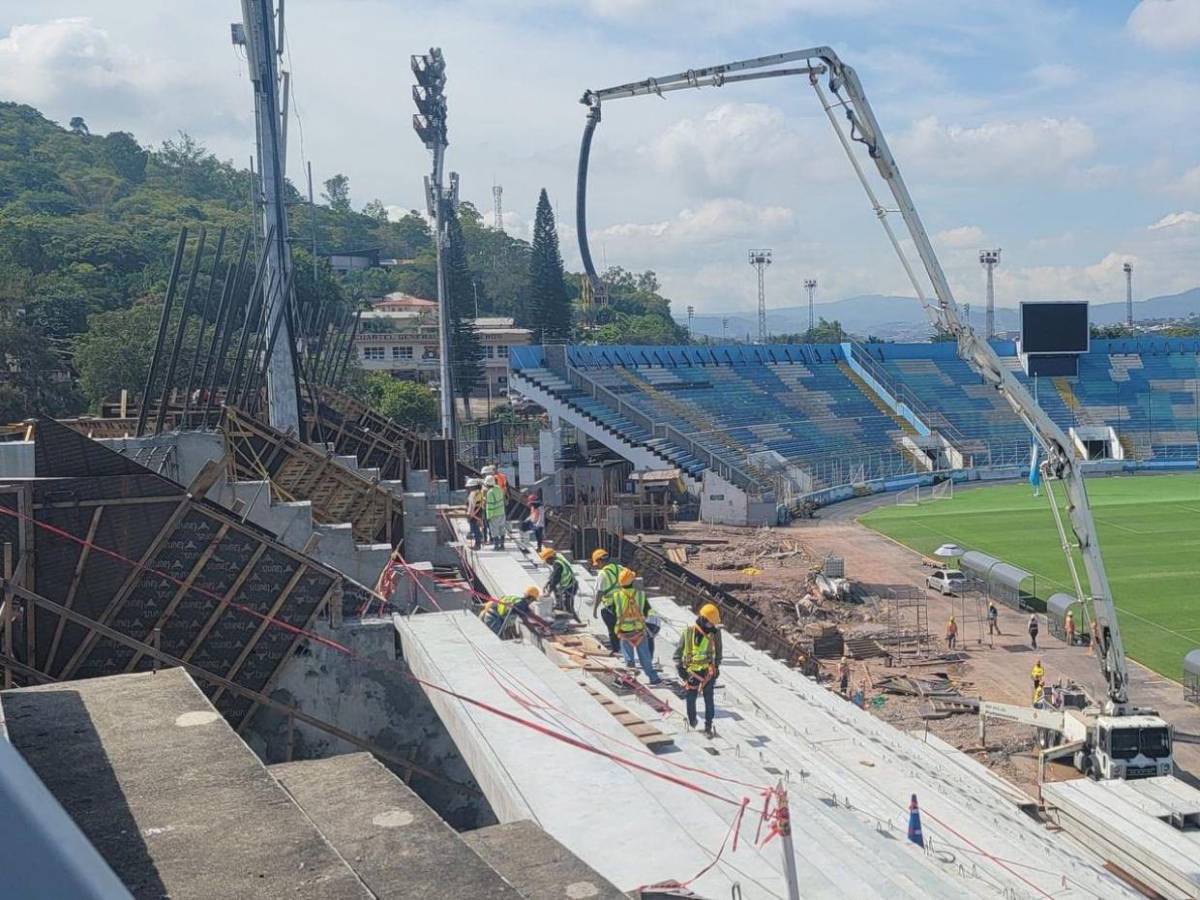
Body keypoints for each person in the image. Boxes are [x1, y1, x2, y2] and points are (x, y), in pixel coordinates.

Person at [674, 603, 722, 737]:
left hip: (708, 672)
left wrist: (716, 667)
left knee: (709, 699)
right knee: (690, 698)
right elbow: (677, 655)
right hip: (692, 672)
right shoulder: (688, 632)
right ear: (703, 620)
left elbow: (718, 653)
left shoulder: (715, 634)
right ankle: (692, 720)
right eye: (710, 624)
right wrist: (681, 670)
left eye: (714, 624)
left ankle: (708, 726)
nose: (712, 626)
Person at [611, 568, 660, 684]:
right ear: (632, 581)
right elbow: (648, 611)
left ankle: (629, 679)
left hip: (624, 632)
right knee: (645, 657)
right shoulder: (641, 595)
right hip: (639, 631)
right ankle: (653, 678)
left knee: (629, 659)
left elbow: (614, 613)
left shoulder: (616, 596)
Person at [589, 549, 626, 654]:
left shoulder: (603, 574)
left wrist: (595, 608)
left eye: (597, 563)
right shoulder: (620, 568)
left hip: (611, 605)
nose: (597, 566)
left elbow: (600, 593)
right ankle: (625, 650)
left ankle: (616, 650)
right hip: (623, 602)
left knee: (612, 629)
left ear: (600, 561)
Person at [539, 547, 578, 621]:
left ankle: (576, 622)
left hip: (570, 587)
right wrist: (548, 583)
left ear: (550, 558)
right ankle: (559, 606)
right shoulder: (558, 561)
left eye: (546, 560)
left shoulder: (557, 564)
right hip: (568, 586)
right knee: (566, 605)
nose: (546, 562)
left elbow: (556, 578)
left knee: (569, 607)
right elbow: (554, 575)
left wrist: (548, 592)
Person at [484, 476, 507, 550]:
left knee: (494, 530)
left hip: (494, 514)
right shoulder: (498, 489)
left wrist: (488, 516)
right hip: (502, 512)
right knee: (502, 529)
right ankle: (502, 545)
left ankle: (496, 546)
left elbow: (490, 506)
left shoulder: (490, 493)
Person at [465, 478, 485, 550]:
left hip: (474, 513)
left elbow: (472, 505)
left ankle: (477, 544)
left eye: (469, 487)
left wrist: (469, 514)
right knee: (476, 528)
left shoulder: (473, 494)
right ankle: (480, 539)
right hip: (479, 512)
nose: (468, 488)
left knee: (474, 528)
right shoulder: (479, 492)